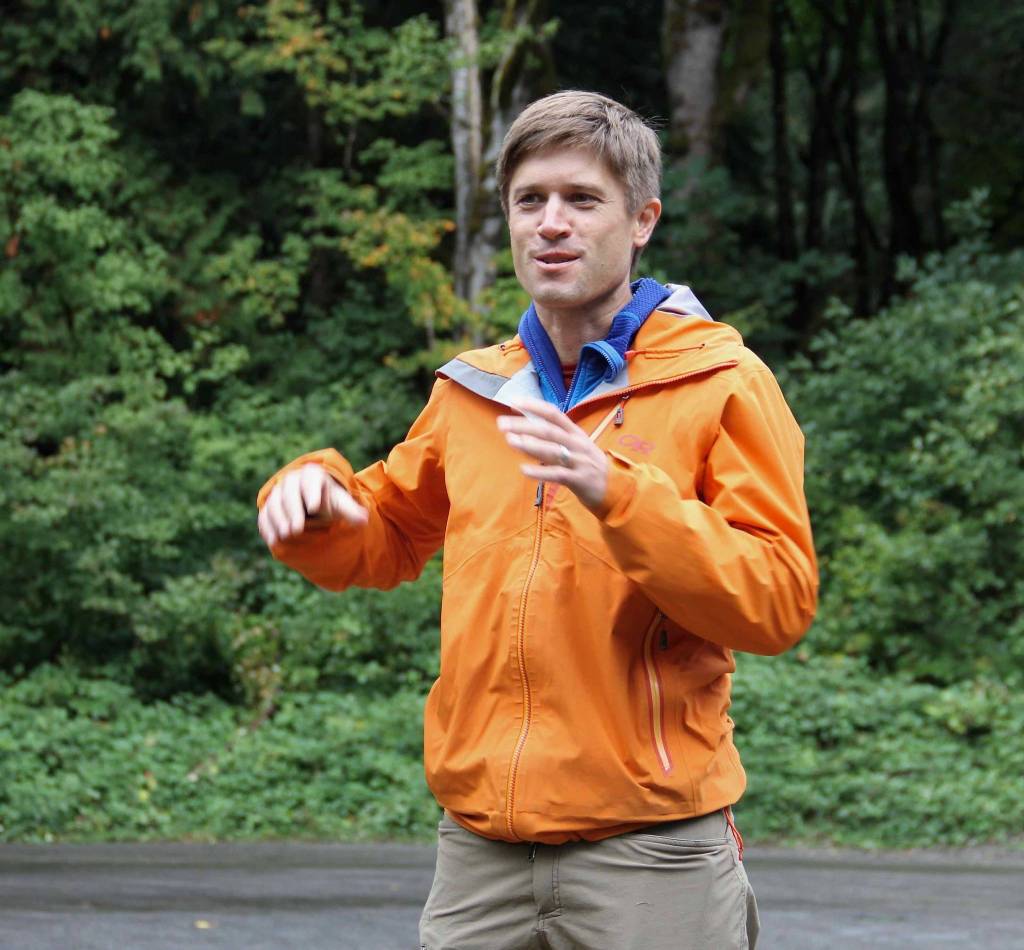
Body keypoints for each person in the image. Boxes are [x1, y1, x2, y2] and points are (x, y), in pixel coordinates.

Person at [257, 90, 817, 950]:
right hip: (478, 852)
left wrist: (618, 494)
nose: (552, 223)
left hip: (651, 854)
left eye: (582, 200)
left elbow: (776, 599)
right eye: (531, 201)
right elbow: (388, 533)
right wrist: (315, 506)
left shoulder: (724, 384)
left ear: (642, 221)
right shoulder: (476, 391)